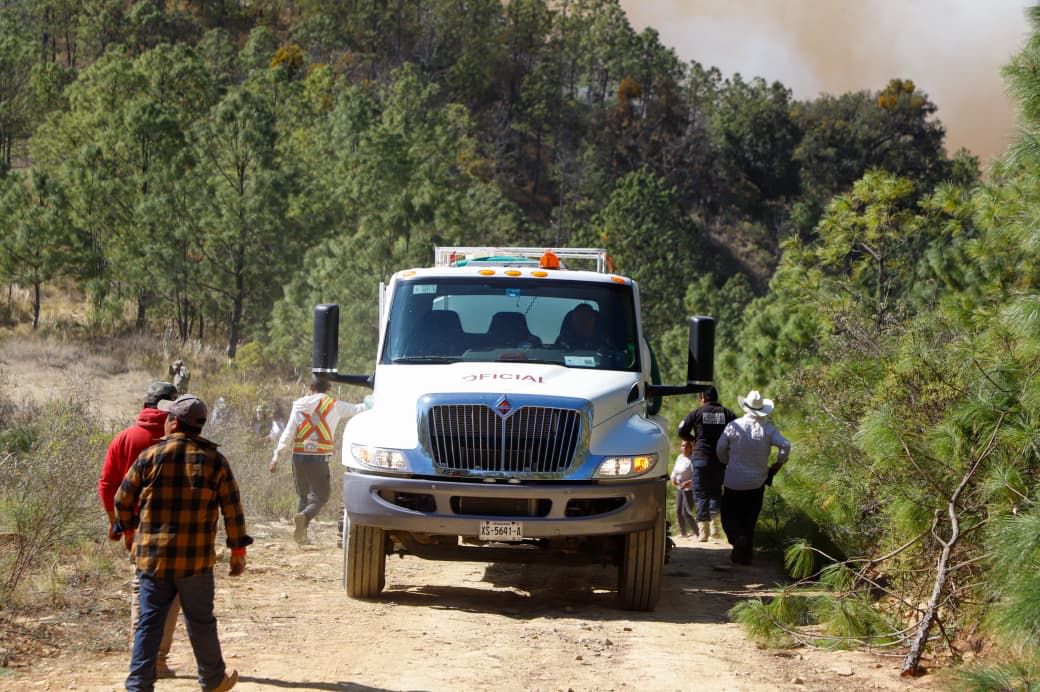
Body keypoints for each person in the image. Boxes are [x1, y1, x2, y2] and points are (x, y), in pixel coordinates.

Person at [115, 393, 251, 692]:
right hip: (196, 562)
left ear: (173, 422)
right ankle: (213, 680)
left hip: (153, 559)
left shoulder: (150, 456)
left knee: (149, 623)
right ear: (198, 427)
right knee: (201, 621)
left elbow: (122, 499)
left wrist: (128, 533)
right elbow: (232, 509)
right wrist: (237, 552)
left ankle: (138, 684)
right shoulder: (214, 460)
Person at [97, 380, 182, 679]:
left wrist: (117, 525)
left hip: (138, 530)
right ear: (172, 407)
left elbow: (108, 485)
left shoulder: (124, 438)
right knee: (172, 595)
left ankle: (141, 658)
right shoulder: (182, 438)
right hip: (175, 529)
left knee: (143, 589)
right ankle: (157, 659)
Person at [270, 375, 366, 544]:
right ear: (329, 387)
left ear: (310, 387)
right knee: (322, 496)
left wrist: (277, 456)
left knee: (303, 495)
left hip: (298, 456)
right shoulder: (335, 405)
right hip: (318, 458)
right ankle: (304, 516)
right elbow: (358, 409)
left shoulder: (299, 404)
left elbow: (289, 432)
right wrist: (372, 402)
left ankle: (301, 536)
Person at [716, 389, 790, 565]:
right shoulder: (768, 429)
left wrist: (727, 461)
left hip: (733, 481)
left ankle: (737, 541)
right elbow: (785, 446)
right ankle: (745, 554)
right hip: (757, 482)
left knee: (729, 516)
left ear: (745, 407)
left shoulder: (733, 426)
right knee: (749, 518)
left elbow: (720, 449)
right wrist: (778, 464)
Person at [678, 386, 737, 542]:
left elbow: (681, 431)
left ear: (703, 398)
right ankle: (715, 528)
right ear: (716, 398)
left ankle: (703, 532)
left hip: (701, 459)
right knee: (715, 492)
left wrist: (693, 440)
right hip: (719, 460)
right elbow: (738, 431)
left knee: (700, 492)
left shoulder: (696, 413)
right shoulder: (727, 413)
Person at [670, 440, 698, 538]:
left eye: (687, 446)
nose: (684, 448)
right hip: (680, 487)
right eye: (683, 446)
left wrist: (689, 482)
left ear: (691, 448)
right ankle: (683, 533)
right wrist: (673, 478)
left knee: (686, 512)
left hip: (690, 489)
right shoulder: (680, 457)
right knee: (678, 510)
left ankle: (697, 533)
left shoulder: (693, 459)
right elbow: (675, 470)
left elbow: (696, 475)